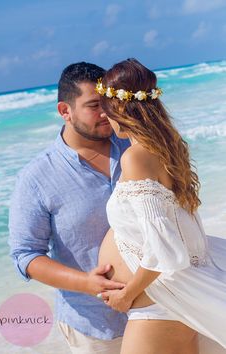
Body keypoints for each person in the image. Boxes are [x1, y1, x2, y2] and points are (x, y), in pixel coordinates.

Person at [96, 58, 226, 354]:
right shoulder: (168, 148)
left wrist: (125, 295)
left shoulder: (135, 157)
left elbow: (165, 249)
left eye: (106, 110)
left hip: (158, 305)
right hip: (171, 301)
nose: (107, 118)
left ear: (118, 109)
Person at [8, 62, 130, 354]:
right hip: (97, 326)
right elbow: (26, 256)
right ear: (65, 111)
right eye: (94, 105)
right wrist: (87, 283)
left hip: (161, 307)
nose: (106, 113)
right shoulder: (36, 178)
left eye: (109, 103)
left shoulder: (133, 146)